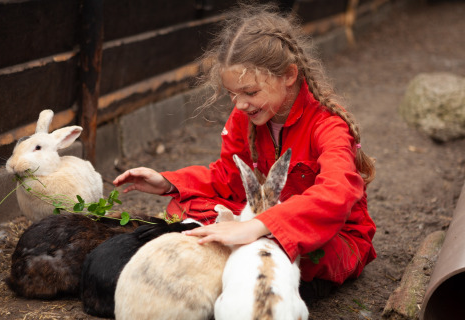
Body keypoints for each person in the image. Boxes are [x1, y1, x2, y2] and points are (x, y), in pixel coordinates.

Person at [113, 3, 376, 301]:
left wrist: (258, 227)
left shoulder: (327, 125)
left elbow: (337, 194)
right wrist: (168, 181)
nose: (239, 105)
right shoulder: (246, 116)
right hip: (266, 217)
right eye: (232, 94)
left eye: (250, 92)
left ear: (289, 75)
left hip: (330, 235)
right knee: (185, 207)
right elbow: (228, 176)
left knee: (284, 248)